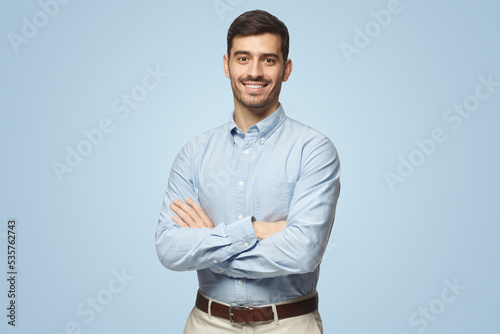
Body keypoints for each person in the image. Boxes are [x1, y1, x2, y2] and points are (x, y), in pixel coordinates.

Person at [155, 9, 340, 333]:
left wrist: (206, 246)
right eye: (243, 58)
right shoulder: (194, 153)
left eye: (268, 60)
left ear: (286, 69)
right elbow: (170, 249)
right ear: (226, 65)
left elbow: (303, 252)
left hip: (289, 324)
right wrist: (253, 231)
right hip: (206, 324)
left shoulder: (314, 150)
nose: (254, 71)